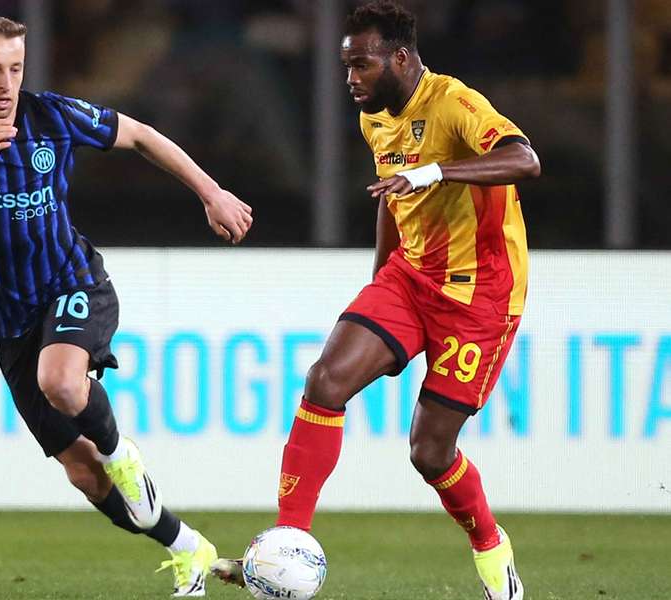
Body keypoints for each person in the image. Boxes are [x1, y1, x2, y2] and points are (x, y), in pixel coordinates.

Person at [0, 13, 253, 597]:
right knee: (84, 475)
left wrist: (211, 192)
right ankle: (189, 548)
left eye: (15, 67)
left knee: (62, 383)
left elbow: (140, 134)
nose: (6, 83)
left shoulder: (51, 116)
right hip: (10, 322)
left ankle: (123, 454)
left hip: (73, 283)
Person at [212, 2, 538, 599]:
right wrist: (377, 284)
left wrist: (434, 173)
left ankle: (493, 547)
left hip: (481, 296)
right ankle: (288, 542)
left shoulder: (454, 102)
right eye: (345, 67)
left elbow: (525, 159)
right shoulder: (377, 119)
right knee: (325, 381)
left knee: (430, 452)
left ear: (401, 58)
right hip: (409, 279)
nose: (350, 79)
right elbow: (392, 197)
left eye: (360, 65)